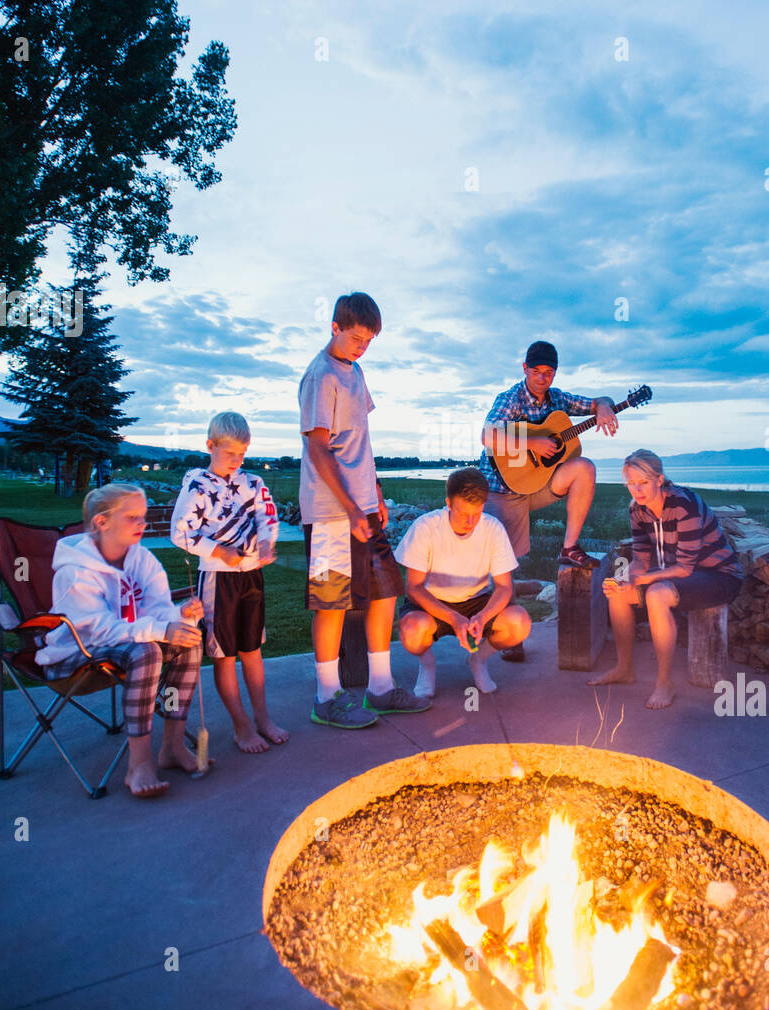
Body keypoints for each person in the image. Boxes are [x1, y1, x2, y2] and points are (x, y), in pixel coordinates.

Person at [300, 291, 429, 727]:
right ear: (335, 327)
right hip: (331, 512)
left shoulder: (355, 372)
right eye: (355, 337)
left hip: (363, 507)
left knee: (386, 591)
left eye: (369, 340)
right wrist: (352, 507)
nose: (361, 346)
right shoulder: (321, 376)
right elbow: (318, 448)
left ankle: (379, 687)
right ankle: (326, 697)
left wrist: (372, 493)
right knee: (331, 602)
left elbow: (359, 439)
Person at [35, 484, 203, 799]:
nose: (143, 523)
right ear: (101, 522)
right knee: (147, 651)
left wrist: (181, 618)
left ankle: (172, 745)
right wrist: (159, 630)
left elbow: (158, 611)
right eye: (132, 518)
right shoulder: (75, 571)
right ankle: (139, 764)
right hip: (74, 656)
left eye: (143, 516)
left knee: (189, 642)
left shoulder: (141, 559)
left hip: (124, 647)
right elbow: (98, 630)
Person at [479, 339, 619, 659]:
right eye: (537, 371)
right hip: (503, 490)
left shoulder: (557, 398)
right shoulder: (510, 399)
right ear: (525, 369)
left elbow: (597, 401)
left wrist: (606, 406)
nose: (543, 378)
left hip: (537, 486)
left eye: (549, 372)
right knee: (503, 568)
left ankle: (569, 548)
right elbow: (487, 436)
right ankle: (509, 637)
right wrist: (532, 444)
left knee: (584, 467)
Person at [170, 411, 287, 753]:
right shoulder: (197, 487)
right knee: (225, 656)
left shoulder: (253, 483)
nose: (237, 460)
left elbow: (268, 516)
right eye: (230, 452)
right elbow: (180, 533)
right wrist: (218, 551)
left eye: (243, 453)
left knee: (252, 650)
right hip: (218, 581)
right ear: (210, 446)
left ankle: (263, 718)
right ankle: (242, 727)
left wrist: (267, 541)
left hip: (252, 577)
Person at [589, 450, 742, 709]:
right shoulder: (637, 510)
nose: (637, 490)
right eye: (631, 483)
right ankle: (624, 669)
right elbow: (640, 560)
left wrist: (644, 580)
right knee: (617, 592)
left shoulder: (683, 504)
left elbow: (684, 568)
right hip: (679, 577)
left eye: (643, 482)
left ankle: (664, 683)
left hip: (719, 577)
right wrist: (625, 578)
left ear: (659, 479)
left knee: (656, 594)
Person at [395, 467, 531, 697]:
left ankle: (477, 659)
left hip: (475, 601)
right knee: (411, 631)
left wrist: (482, 617)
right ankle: (427, 665)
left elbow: (505, 587)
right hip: (432, 602)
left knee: (519, 623)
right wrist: (453, 618)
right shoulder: (425, 527)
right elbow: (413, 588)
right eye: (462, 513)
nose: (470, 521)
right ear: (448, 503)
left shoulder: (492, 528)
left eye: (476, 514)